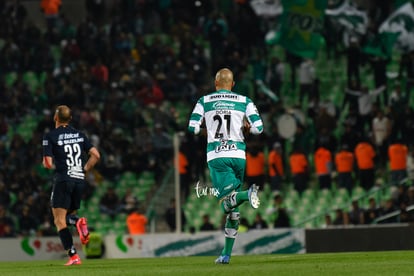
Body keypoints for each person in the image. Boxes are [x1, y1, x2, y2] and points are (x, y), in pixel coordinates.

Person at [188, 68, 263, 264]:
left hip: (217, 156)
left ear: (215, 84)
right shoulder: (244, 101)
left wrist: (207, 125)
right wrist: (245, 125)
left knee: (225, 204)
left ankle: (247, 194)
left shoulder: (204, 101)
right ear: (233, 84)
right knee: (233, 211)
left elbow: (193, 128)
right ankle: (226, 255)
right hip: (239, 155)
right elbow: (258, 128)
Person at [42, 105, 100, 266]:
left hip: (63, 179)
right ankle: (77, 222)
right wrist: (84, 170)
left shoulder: (50, 136)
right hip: (79, 180)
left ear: (55, 118)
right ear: (70, 119)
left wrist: (45, 160)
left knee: (59, 221)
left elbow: (48, 164)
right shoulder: (80, 135)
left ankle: (74, 256)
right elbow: (96, 155)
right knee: (68, 217)